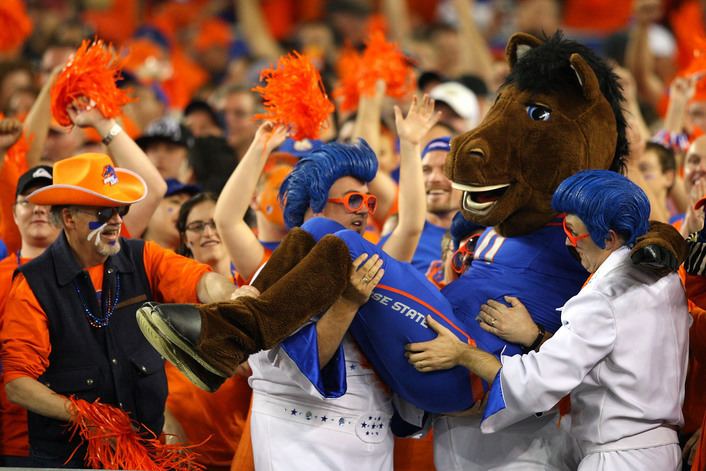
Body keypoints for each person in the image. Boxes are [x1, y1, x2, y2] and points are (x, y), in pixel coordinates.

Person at [408, 170, 689, 470]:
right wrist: (536, 336)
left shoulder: (600, 298)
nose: (568, 244)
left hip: (618, 456)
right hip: (661, 449)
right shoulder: (665, 278)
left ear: (608, 237)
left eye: (572, 232)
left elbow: (537, 381)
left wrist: (463, 353)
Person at [0, 153, 236, 467]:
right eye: (103, 211)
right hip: (70, 462)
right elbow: (17, 384)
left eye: (120, 210)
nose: (116, 221)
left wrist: (235, 296)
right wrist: (85, 415)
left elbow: (201, 281)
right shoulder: (33, 284)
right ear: (69, 218)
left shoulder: (142, 256)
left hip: (145, 454)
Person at [0, 165, 58, 467]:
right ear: (13, 213)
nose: (38, 209)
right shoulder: (1, 277)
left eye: (48, 200)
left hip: (85, 440)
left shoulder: (93, 274)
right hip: (14, 439)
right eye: (28, 200)